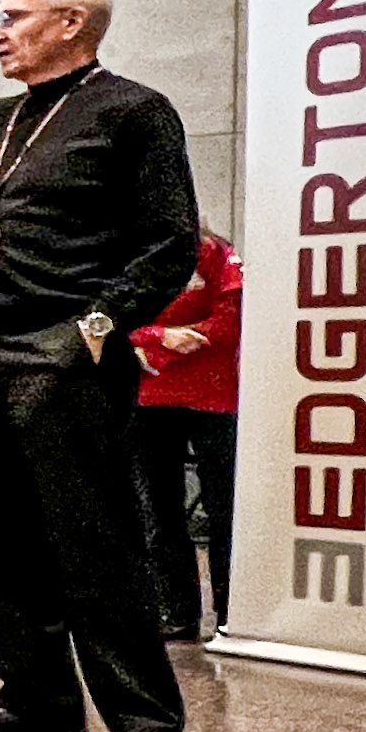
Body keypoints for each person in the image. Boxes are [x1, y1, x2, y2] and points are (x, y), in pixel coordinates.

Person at [0, 0, 203, 732]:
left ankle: (145, 719)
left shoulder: (133, 112)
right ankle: (37, 700)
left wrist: (91, 333)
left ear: (70, 23)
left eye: (11, 18)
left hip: (66, 347)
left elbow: (167, 245)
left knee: (92, 541)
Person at [133, 229, 242, 641]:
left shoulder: (214, 254)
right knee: (160, 512)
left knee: (224, 510)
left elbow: (231, 318)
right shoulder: (127, 253)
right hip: (148, 398)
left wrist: (164, 346)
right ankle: (178, 613)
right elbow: (106, 322)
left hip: (214, 397)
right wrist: (161, 338)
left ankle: (231, 611)